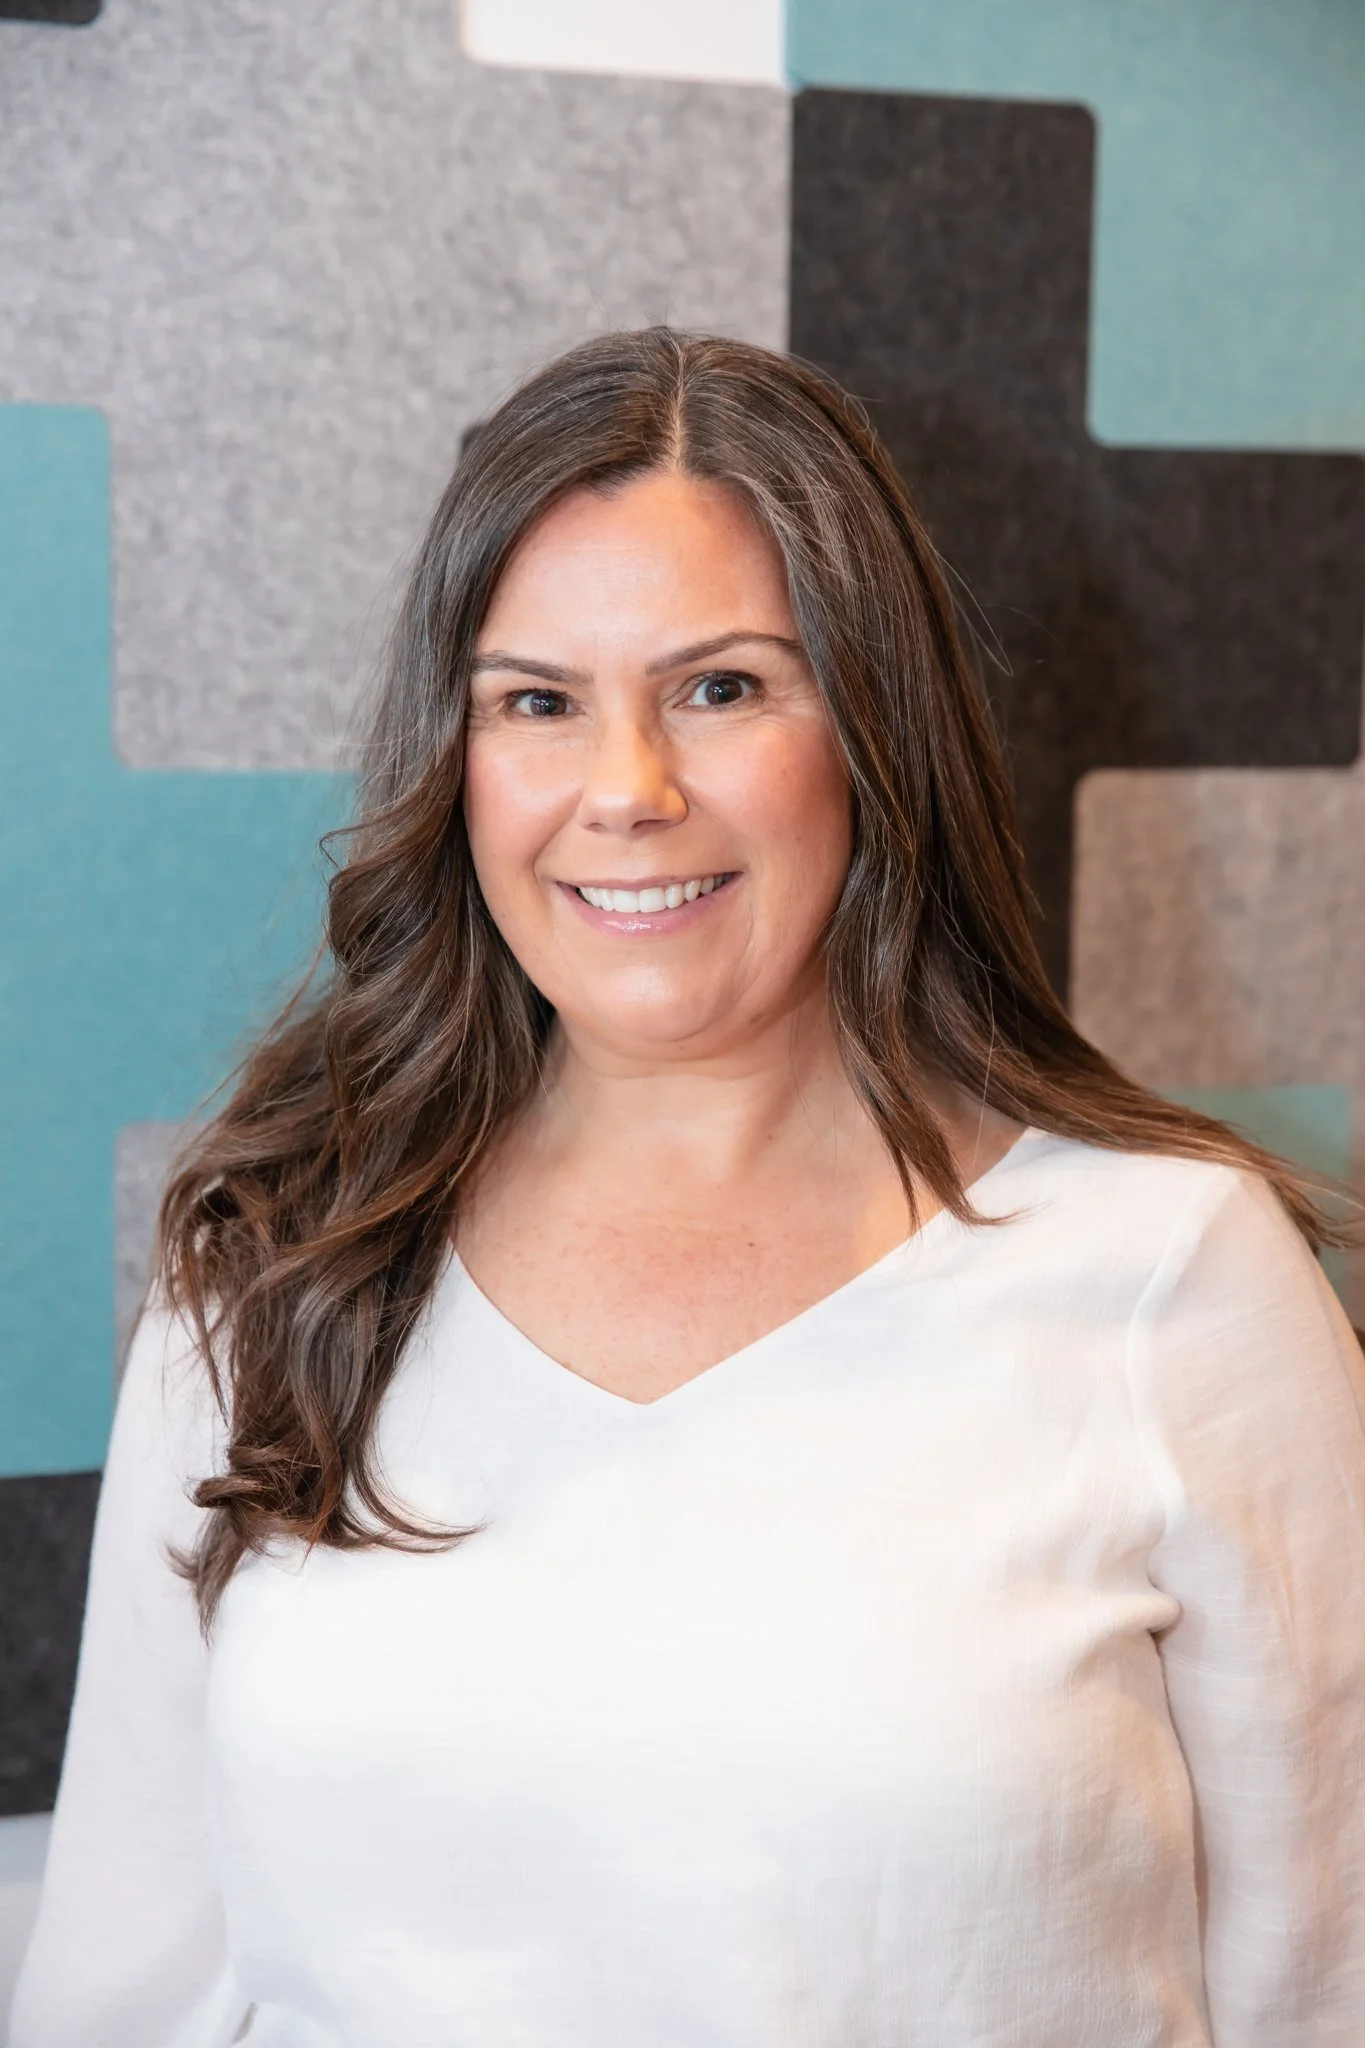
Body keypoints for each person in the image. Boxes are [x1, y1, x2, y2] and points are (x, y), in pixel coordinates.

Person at [12, 328, 1365, 2047]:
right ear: (460, 757)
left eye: (722, 687)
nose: (627, 791)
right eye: (538, 701)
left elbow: (1328, 1987)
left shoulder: (1175, 1278)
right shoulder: (280, 1268)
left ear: (874, 730)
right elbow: (125, 1988)